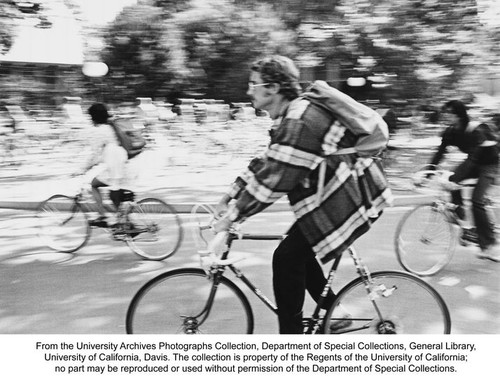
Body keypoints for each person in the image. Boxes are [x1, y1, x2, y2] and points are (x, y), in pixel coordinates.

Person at [213, 55, 393, 334]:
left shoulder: (300, 119)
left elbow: (275, 179)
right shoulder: (291, 116)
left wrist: (234, 216)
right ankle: (336, 312)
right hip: (334, 198)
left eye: (253, 84)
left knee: (286, 258)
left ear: (272, 88)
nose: (249, 91)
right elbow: (269, 160)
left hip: (350, 199)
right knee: (300, 250)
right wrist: (232, 193)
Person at [428, 100, 499, 262]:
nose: (445, 116)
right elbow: (439, 153)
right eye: (444, 113)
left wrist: (455, 178)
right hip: (474, 162)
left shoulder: (476, 130)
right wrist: (426, 173)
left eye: (449, 113)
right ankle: (466, 227)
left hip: (489, 164)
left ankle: (489, 244)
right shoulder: (450, 132)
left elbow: (473, 159)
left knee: (476, 200)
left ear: (459, 115)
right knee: (451, 183)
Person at [83, 103, 128, 227]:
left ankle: (103, 216)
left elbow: (94, 155)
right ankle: (122, 221)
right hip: (124, 162)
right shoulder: (110, 127)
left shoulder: (99, 131)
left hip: (115, 166)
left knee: (94, 184)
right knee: (115, 193)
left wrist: (83, 168)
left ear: (93, 117)